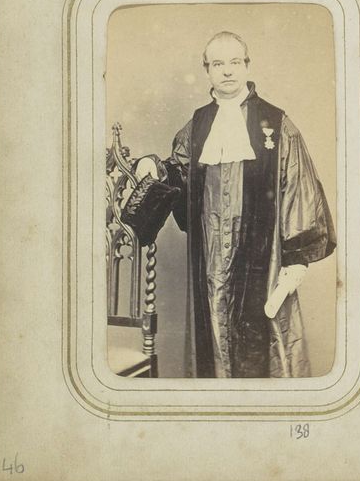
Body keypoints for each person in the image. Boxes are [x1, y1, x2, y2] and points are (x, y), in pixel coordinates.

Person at [136, 31, 336, 378]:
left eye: (234, 62)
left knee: (266, 342)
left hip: (264, 258)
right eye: (217, 64)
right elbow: (178, 173)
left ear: (246, 66)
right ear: (207, 70)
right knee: (214, 335)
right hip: (211, 259)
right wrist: (154, 167)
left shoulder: (275, 124)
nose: (227, 71)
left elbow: (297, 187)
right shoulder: (197, 125)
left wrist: (296, 258)